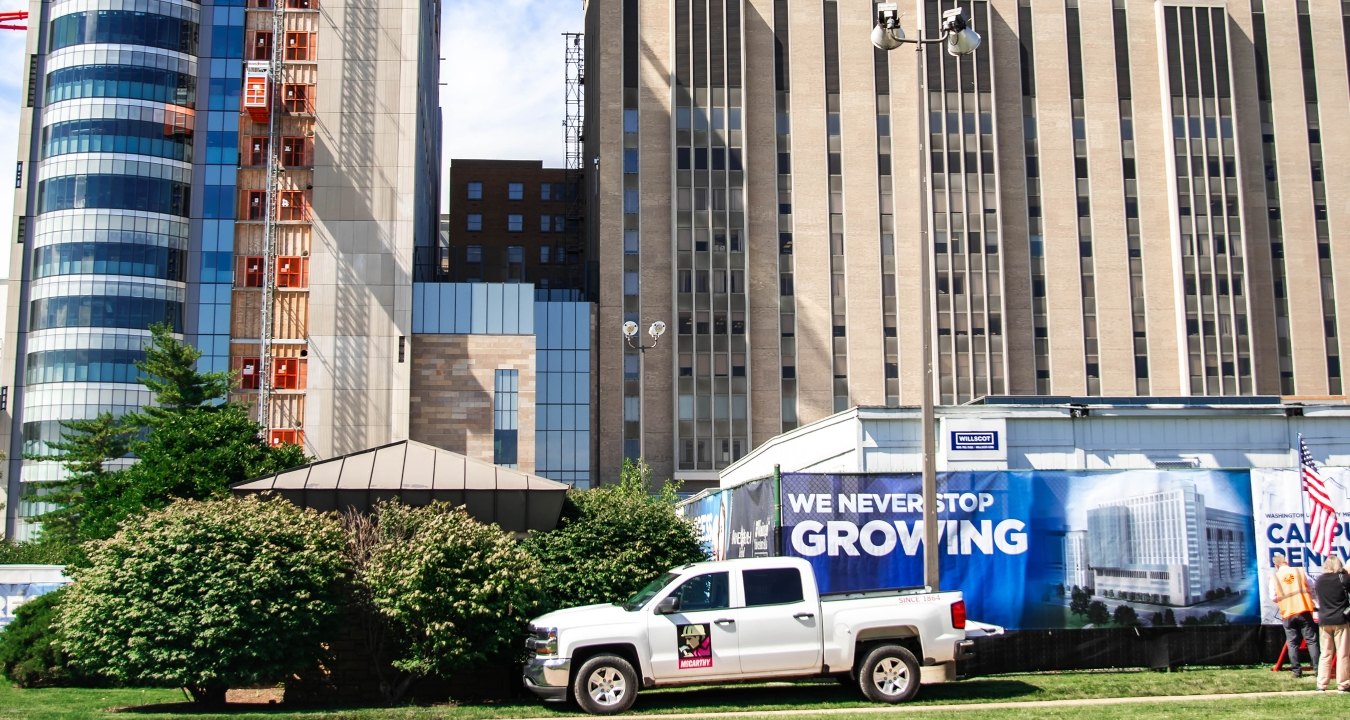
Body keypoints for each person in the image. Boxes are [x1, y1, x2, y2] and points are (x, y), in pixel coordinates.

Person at [1273, 552, 1320, 678]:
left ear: (1276, 565)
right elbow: (1312, 585)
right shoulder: (1299, 571)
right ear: (1286, 562)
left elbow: (1273, 597)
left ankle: (1297, 671)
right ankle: (1317, 670)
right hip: (1303, 609)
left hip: (1288, 613)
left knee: (1292, 643)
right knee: (1311, 641)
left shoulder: (1275, 577)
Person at [1315, 555, 1350, 691]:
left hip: (1324, 620)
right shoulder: (1343, 579)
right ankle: (1343, 684)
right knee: (1343, 653)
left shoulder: (1319, 580)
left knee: (1325, 653)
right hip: (1341, 620)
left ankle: (1321, 684)